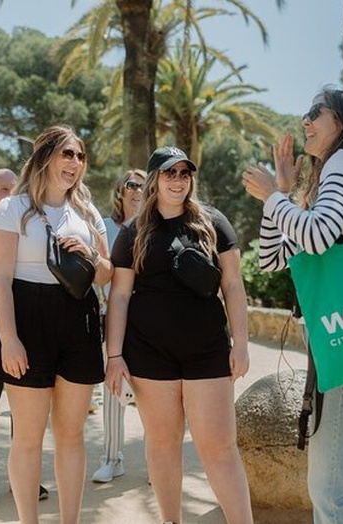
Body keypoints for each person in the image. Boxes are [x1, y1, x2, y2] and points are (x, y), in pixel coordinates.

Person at [242, 88, 343, 524]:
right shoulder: (338, 173)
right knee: (342, 490)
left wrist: (271, 197)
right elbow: (271, 258)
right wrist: (282, 193)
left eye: (317, 112)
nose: (306, 120)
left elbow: (316, 237)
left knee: (332, 494)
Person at [105, 146, 252, 524]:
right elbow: (119, 295)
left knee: (218, 446)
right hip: (149, 354)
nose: (178, 180)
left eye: (185, 173)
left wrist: (241, 343)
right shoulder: (133, 231)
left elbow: (233, 285)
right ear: (155, 179)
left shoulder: (213, 222)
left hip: (207, 351)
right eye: (170, 173)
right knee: (163, 443)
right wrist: (114, 356)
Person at [0, 125, 112, 524]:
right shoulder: (12, 208)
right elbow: (0, 280)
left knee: (71, 435)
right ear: (44, 157)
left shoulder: (87, 212)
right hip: (27, 317)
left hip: (79, 318)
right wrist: (9, 339)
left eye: (80, 156)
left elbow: (106, 274)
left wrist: (91, 253)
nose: (75, 163)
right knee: (28, 437)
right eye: (67, 154)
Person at [0, 168, 50, 506]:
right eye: (2, 190)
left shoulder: (29, 226)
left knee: (26, 411)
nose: (9, 194)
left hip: (25, 324)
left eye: (14, 188)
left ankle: (27, 480)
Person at [91, 168, 146, 484]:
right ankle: (112, 459)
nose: (138, 190)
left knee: (154, 392)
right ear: (120, 191)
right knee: (113, 389)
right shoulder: (106, 227)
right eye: (132, 184)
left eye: (143, 185)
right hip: (113, 317)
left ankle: (157, 462)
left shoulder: (155, 227)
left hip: (148, 319)